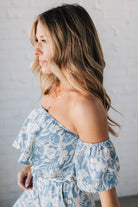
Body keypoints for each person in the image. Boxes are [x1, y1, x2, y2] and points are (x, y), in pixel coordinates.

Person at [12, 3, 121, 207]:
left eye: (43, 41)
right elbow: (53, 147)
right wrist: (31, 167)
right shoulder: (52, 87)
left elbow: (106, 189)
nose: (35, 50)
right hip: (36, 198)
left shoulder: (85, 106)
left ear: (69, 44)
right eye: (36, 40)